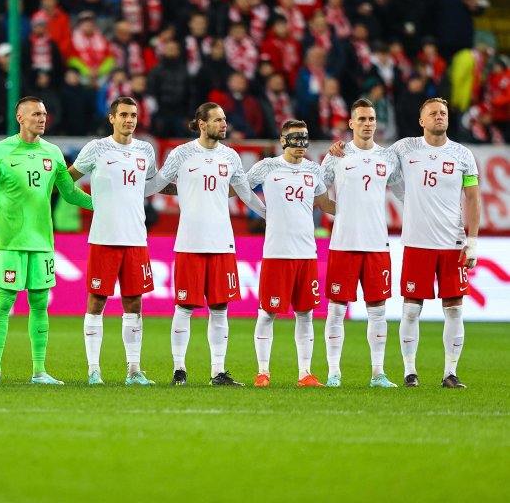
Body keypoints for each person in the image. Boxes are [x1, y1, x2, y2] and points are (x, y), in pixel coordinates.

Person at [331, 97, 480, 388]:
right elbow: (367, 154)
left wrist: (472, 240)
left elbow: (473, 198)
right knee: (411, 309)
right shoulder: (403, 149)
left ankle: (450, 372)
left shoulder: (463, 155)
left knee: (455, 308)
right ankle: (409, 372)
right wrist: (340, 147)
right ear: (421, 121)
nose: (440, 117)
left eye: (444, 113)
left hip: (453, 243)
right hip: (416, 243)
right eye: (433, 113)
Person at [144, 102, 267, 386]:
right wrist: (127, 192)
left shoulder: (231, 156)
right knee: (184, 307)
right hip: (189, 243)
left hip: (223, 243)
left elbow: (247, 194)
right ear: (202, 123)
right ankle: (179, 370)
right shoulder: (182, 154)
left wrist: (270, 215)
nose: (224, 124)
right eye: (218, 120)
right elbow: (156, 184)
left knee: (220, 308)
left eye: (224, 119)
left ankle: (217, 372)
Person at [0, 96, 93, 385]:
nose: (42, 118)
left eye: (44, 113)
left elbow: (69, 192)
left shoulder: (52, 153)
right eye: (36, 114)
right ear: (20, 117)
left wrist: (103, 205)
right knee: (4, 301)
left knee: (40, 304)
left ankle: (39, 371)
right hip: (10, 240)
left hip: (42, 241)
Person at [67, 97, 159, 386]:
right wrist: (91, 202)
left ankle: (134, 370)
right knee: (97, 301)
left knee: (134, 303)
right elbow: (67, 179)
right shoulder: (97, 148)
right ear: (112, 118)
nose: (129, 120)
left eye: (133, 115)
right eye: (123, 115)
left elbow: (153, 184)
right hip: (104, 237)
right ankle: (94, 370)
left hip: (135, 238)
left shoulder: (145, 150)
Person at [246, 120, 336, 387]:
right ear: (283, 139)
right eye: (295, 138)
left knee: (305, 313)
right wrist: (262, 210)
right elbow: (240, 188)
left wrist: (353, 211)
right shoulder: (267, 167)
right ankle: (263, 372)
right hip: (276, 252)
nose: (300, 145)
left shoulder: (313, 170)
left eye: (304, 139)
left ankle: (305, 373)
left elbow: (324, 203)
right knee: (267, 313)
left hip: (307, 253)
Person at [320, 99, 402, 388]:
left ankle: (378, 373)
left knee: (378, 309)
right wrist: (338, 211)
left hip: (377, 244)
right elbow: (318, 190)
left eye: (372, 119)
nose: (368, 123)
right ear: (351, 123)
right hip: (343, 242)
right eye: (362, 119)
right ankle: (333, 373)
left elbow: (405, 193)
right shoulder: (336, 156)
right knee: (336, 309)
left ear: (376, 123)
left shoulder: (388, 157)